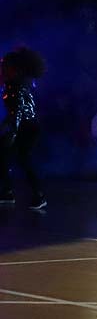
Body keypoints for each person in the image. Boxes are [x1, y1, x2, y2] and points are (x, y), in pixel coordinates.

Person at [0, 47, 47, 210]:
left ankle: (39, 195)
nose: (3, 69)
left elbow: (19, 111)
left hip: (28, 128)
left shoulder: (18, 85)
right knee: (6, 156)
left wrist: (12, 132)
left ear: (16, 69)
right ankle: (7, 192)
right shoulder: (14, 84)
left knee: (23, 159)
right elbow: (15, 112)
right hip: (25, 126)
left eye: (6, 66)